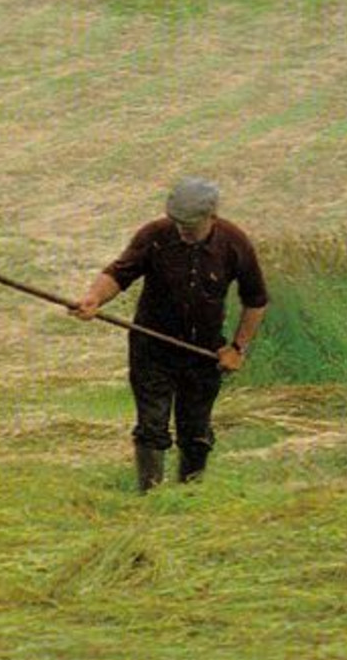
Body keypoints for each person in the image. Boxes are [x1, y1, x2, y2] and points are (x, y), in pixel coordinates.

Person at [74, 177, 269, 492]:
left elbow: (256, 301)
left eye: (190, 224)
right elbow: (118, 273)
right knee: (152, 424)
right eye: (178, 222)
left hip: (203, 354)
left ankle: (189, 494)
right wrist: (94, 298)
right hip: (151, 348)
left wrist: (237, 348)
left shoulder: (234, 243)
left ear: (212, 217)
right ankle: (149, 495)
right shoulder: (154, 236)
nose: (182, 229)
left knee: (195, 431)